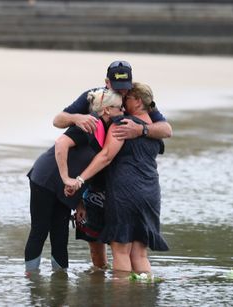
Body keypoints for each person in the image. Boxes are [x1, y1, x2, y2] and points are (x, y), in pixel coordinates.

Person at [66, 82, 169, 274]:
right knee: (140, 254)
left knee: (121, 251)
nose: (122, 103)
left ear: (138, 101)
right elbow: (167, 130)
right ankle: (143, 295)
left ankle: (120, 296)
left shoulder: (121, 125)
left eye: (127, 98)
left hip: (125, 192)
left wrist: (80, 179)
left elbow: (105, 156)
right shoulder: (155, 131)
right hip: (151, 193)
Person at [24, 88, 124, 275]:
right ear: (107, 110)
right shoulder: (91, 124)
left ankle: (59, 283)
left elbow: (85, 165)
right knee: (40, 229)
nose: (123, 112)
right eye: (120, 108)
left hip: (68, 188)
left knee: (60, 234)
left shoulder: (105, 129)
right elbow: (61, 143)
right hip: (45, 178)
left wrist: (80, 203)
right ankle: (31, 280)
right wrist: (65, 178)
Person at [53, 60, 172, 141]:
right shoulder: (94, 96)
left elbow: (167, 130)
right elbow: (57, 120)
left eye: (124, 87)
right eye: (116, 87)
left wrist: (140, 130)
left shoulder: (136, 98)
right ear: (107, 82)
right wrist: (76, 118)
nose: (121, 92)